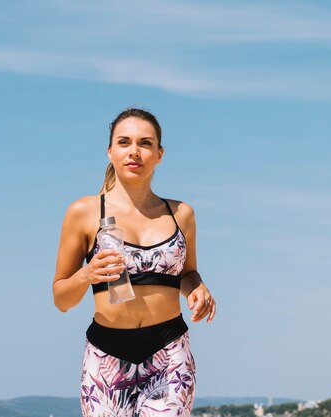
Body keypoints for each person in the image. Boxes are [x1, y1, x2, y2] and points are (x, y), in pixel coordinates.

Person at [52, 108, 216, 417]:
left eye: (145, 143)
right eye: (124, 142)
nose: (134, 152)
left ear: (159, 154)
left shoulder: (181, 214)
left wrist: (198, 288)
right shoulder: (85, 212)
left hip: (169, 354)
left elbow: (187, 273)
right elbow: (61, 298)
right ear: (110, 151)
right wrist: (87, 274)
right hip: (106, 354)